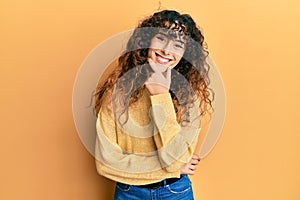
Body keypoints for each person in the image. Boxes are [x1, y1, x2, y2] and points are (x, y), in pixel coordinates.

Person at [94, 9, 213, 200]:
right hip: (130, 193)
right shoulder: (118, 91)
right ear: (147, 41)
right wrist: (172, 169)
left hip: (176, 193)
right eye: (161, 39)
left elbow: (174, 159)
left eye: (177, 45)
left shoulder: (190, 96)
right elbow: (105, 163)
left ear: (185, 54)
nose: (166, 50)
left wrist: (161, 94)